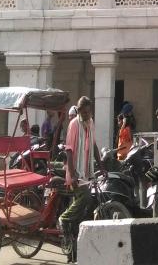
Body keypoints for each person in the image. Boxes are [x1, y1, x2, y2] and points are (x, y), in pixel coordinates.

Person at [59, 96, 100, 250]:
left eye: (89, 112)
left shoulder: (90, 123)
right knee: (86, 196)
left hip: (86, 171)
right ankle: (64, 218)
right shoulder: (74, 125)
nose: (87, 115)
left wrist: (101, 166)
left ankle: (72, 245)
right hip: (75, 172)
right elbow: (69, 150)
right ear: (80, 111)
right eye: (84, 113)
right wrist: (73, 173)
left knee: (85, 207)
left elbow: (94, 144)